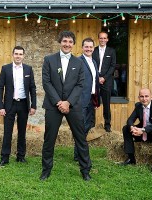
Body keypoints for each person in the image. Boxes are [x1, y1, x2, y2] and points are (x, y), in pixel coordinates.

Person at [41, 31, 92, 181]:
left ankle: (85, 170)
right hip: (53, 105)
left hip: (73, 105)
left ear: (73, 44)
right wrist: (59, 102)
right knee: (49, 139)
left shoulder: (79, 63)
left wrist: (68, 102)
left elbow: (80, 85)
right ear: (60, 42)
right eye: (65, 41)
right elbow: (46, 83)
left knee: (80, 138)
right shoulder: (49, 60)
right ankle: (46, 170)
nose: (67, 44)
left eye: (70, 42)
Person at [0, 46, 37, 167]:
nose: (18, 56)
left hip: (23, 104)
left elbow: (32, 88)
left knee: (22, 131)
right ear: (13, 55)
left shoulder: (28, 69)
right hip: (9, 104)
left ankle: (21, 156)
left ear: (23, 56)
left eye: (20, 54)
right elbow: (0, 88)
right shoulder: (5, 69)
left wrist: (33, 105)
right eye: (16, 54)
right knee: (7, 132)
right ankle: (5, 157)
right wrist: (0, 106)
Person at [74, 37, 100, 161]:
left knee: (88, 126)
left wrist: (96, 99)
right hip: (81, 100)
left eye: (90, 47)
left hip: (91, 99)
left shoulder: (94, 62)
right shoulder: (78, 61)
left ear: (93, 48)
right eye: (86, 47)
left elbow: (95, 82)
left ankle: (80, 152)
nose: (88, 49)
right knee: (80, 127)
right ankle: (77, 154)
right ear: (82, 48)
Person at [92, 31, 116, 132]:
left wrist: (104, 78)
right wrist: (97, 77)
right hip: (95, 80)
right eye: (101, 38)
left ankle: (107, 125)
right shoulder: (94, 50)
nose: (102, 40)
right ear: (98, 39)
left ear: (107, 39)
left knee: (106, 103)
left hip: (106, 81)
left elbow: (113, 66)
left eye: (104, 38)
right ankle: (91, 124)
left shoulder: (111, 51)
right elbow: (91, 64)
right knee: (92, 102)